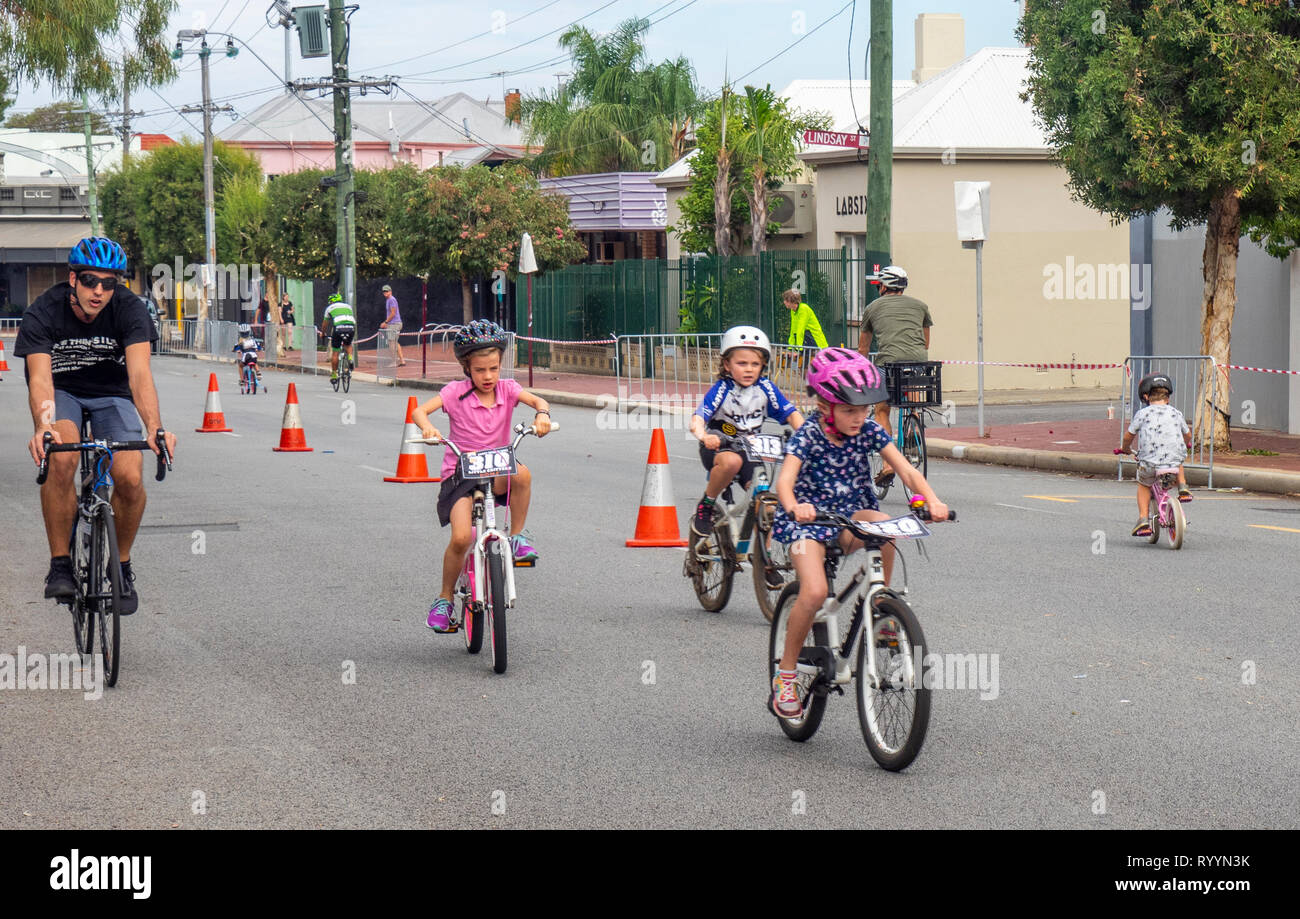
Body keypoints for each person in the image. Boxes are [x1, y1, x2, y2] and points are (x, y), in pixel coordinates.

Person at [769, 348, 948, 719]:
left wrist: (930, 499)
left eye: (865, 409)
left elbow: (907, 471)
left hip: (850, 516)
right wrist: (794, 506)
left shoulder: (868, 430)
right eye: (850, 410)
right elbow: (785, 482)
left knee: (884, 525)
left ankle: (881, 607)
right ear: (824, 405)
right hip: (809, 523)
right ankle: (785, 675)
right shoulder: (808, 437)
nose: (859, 417)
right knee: (816, 591)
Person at [13, 236, 177, 614]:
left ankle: (120, 566)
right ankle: (60, 565)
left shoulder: (130, 309)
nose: (99, 291)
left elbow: (139, 376)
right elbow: (39, 379)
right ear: (73, 279)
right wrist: (44, 427)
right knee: (62, 458)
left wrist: (154, 427)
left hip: (113, 395)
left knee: (131, 477)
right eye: (90, 280)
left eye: (109, 283)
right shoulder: (44, 311)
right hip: (63, 393)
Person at [411, 320, 552, 633]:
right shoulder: (454, 393)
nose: (488, 376)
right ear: (466, 368)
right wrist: (427, 428)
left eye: (493, 368)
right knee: (463, 538)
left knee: (523, 474)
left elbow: (539, 401)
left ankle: (516, 537)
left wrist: (542, 415)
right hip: (460, 475)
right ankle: (444, 600)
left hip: (497, 469)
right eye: (480, 370)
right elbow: (420, 411)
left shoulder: (508, 389)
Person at [689, 326, 804, 546]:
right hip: (719, 447)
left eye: (755, 364)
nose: (749, 369)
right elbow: (698, 418)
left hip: (750, 450)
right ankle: (707, 504)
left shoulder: (766, 388)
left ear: (763, 366)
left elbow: (792, 414)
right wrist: (704, 436)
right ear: (727, 364)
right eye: (742, 364)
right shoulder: (723, 389)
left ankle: (764, 559)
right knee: (732, 461)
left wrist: (808, 439)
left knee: (767, 506)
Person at [858, 265, 933, 485]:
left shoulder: (872, 308)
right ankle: (914, 429)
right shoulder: (921, 306)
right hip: (918, 363)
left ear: (883, 286)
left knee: (882, 409)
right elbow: (925, 342)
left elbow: (863, 349)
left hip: (888, 363)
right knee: (911, 400)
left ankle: (888, 465)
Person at [1119, 372, 1193, 536]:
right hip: (1173, 461)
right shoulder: (1176, 413)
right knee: (1177, 457)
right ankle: (1183, 487)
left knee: (1144, 484)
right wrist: (1186, 443)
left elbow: (1128, 436)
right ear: (1168, 398)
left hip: (1150, 462)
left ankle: (1143, 519)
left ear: (1146, 397)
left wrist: (1125, 447)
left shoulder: (1142, 414)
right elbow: (1188, 435)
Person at [320, 292, 357, 382]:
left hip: (338, 328)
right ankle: (350, 358)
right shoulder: (348, 306)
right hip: (351, 327)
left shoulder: (329, 308)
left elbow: (325, 324)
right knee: (348, 344)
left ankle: (334, 375)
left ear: (332, 301)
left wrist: (323, 333)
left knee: (335, 352)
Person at [379, 284, 406, 367]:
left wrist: (385, 322)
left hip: (395, 324)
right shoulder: (388, 300)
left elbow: (393, 313)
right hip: (393, 324)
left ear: (390, 291)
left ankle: (393, 362)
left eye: (386, 291)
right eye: (384, 291)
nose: (385, 293)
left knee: (391, 343)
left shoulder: (391, 300)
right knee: (395, 342)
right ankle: (402, 360)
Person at [232, 322, 263, 388]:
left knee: (240, 366)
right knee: (254, 362)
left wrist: (236, 350)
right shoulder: (253, 340)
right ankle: (258, 372)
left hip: (246, 356)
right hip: (253, 355)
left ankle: (242, 380)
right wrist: (258, 349)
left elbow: (235, 348)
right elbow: (259, 347)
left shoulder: (240, 342)